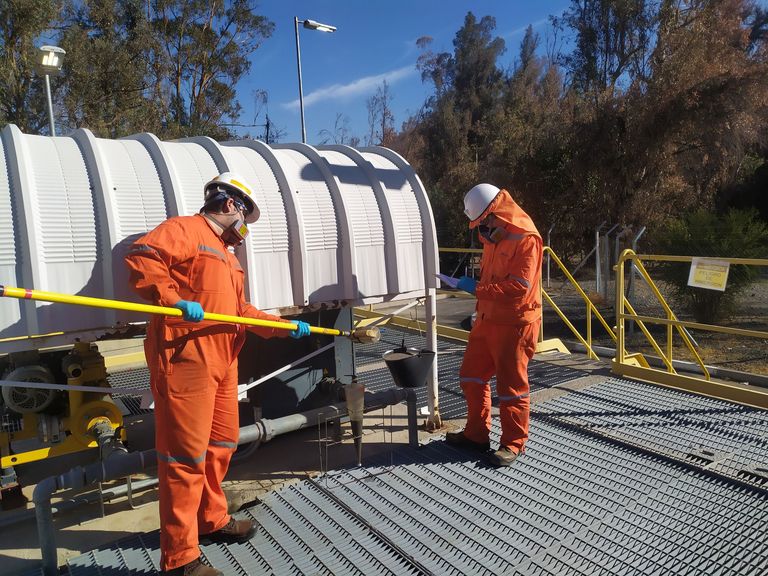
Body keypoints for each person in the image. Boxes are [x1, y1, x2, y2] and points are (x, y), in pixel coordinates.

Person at [124, 172, 311, 576]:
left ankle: (210, 519)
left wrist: (283, 326)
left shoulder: (228, 256)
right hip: (186, 359)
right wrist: (172, 299)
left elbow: (241, 311)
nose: (245, 228)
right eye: (245, 215)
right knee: (184, 458)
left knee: (221, 444)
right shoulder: (185, 229)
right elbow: (141, 258)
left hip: (224, 362)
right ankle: (180, 558)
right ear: (229, 204)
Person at [446, 183, 543, 467]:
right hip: (487, 319)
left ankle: (513, 443)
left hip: (515, 323)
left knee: (512, 386)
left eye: (484, 221)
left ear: (496, 212)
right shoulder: (492, 235)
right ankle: (476, 435)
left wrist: (476, 289)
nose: (482, 228)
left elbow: (518, 288)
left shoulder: (526, 238)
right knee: (471, 376)